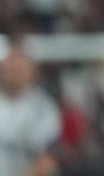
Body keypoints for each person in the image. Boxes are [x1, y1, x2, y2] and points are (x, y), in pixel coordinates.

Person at [0, 41, 61, 176]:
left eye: (19, 66)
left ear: (31, 72)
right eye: (9, 65)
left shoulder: (43, 108)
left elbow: (48, 159)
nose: (13, 70)